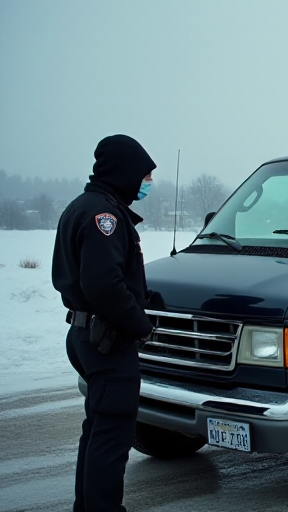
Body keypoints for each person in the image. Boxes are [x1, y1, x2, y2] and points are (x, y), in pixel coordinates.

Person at [52, 134, 159, 512]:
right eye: (145, 176)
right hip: (108, 341)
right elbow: (103, 284)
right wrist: (140, 324)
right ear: (125, 172)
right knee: (112, 436)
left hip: (86, 335)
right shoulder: (105, 216)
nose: (147, 183)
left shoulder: (83, 206)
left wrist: (142, 300)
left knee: (97, 430)